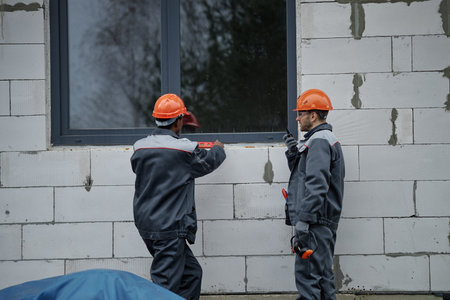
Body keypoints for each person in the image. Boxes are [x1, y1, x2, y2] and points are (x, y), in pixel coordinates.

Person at [130, 93, 226, 300]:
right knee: (165, 288)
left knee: (191, 275)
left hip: (148, 224)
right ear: (179, 121)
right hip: (169, 228)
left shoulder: (140, 147)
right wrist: (219, 149)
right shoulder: (184, 150)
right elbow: (207, 162)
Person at [283, 89, 345, 300]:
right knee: (323, 279)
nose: (298, 118)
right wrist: (294, 153)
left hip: (315, 223)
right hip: (322, 221)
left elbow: (316, 185)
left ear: (314, 115)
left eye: (301, 113)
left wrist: (304, 221)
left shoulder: (319, 140)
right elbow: (305, 174)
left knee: (308, 280)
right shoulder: (322, 139)